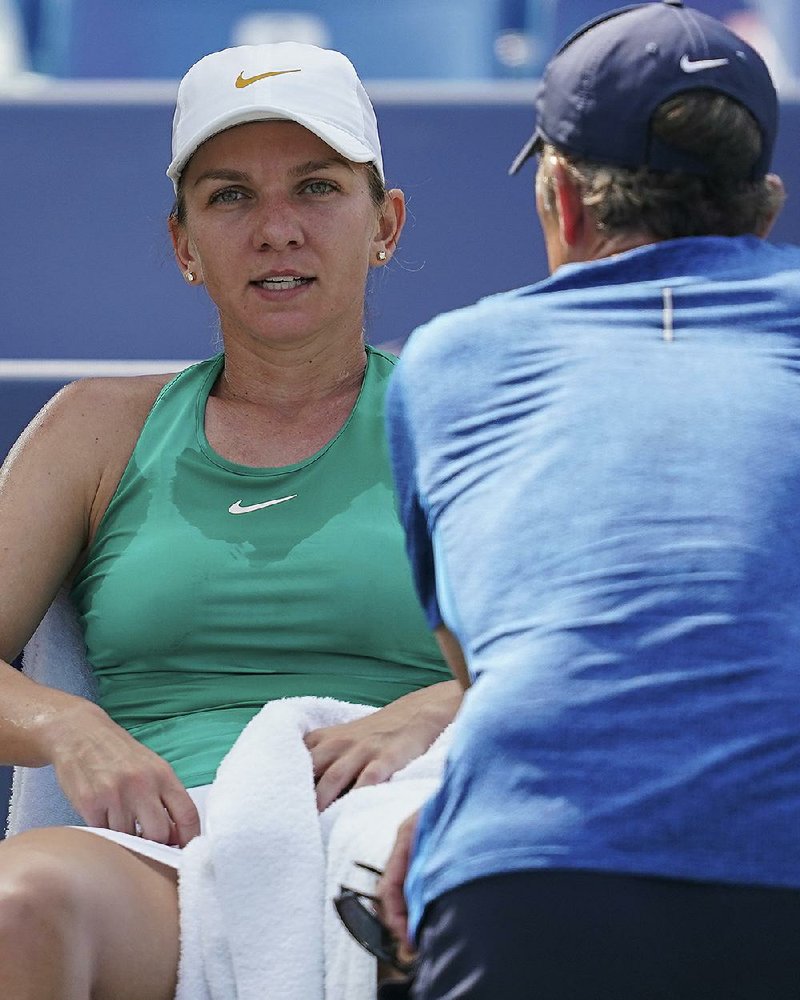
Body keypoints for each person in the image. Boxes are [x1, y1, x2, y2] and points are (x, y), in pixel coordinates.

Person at [0, 41, 460, 999]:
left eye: (318, 188)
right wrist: (64, 725)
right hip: (165, 860)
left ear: (386, 223)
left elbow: (594, 655)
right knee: (16, 906)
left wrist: (438, 709)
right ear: (184, 245)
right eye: (230, 196)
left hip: (415, 829)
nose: (277, 229)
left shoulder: (467, 414)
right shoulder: (93, 429)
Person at [377, 2, 800, 997]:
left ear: (559, 202)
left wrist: (466, 829)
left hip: (524, 885)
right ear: (765, 211)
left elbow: (495, 673)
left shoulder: (445, 365)